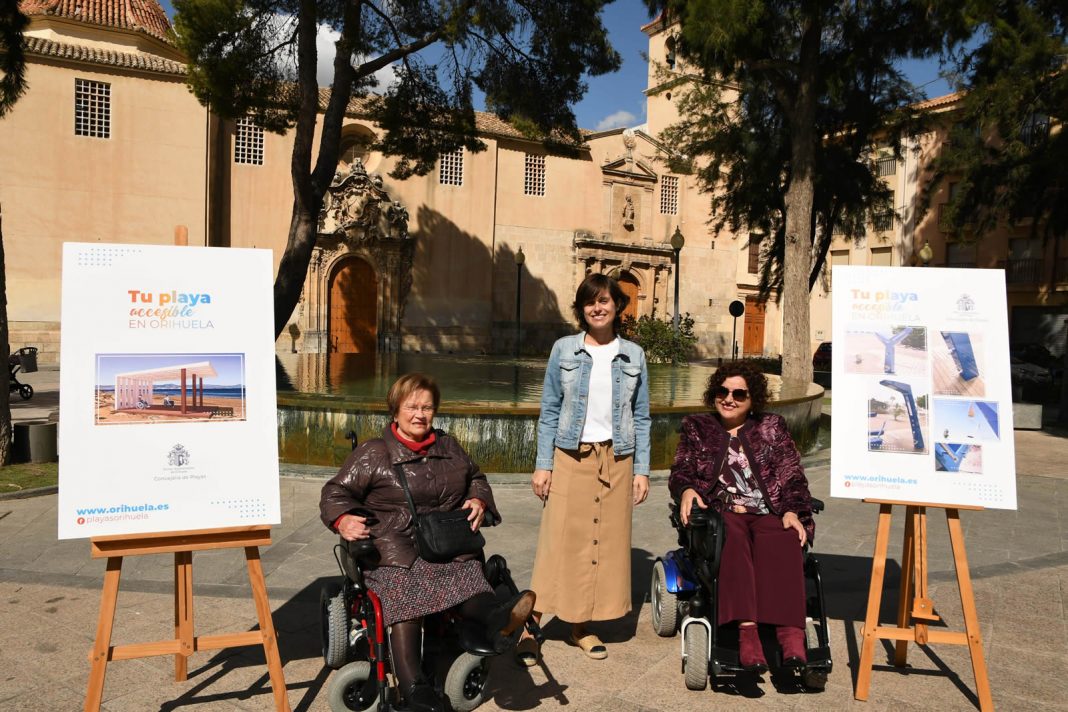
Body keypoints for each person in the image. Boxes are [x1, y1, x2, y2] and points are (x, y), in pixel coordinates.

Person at [319, 373, 535, 712]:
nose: (420, 414)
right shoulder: (374, 453)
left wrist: (479, 500)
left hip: (446, 544)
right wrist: (343, 518)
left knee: (469, 578)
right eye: (412, 407)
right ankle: (414, 690)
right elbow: (335, 491)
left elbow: (476, 478)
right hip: (394, 550)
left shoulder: (449, 447)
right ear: (396, 410)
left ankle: (498, 619)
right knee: (405, 595)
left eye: (427, 407)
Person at [520, 272, 651, 664]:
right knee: (556, 541)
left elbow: (641, 416)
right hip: (570, 456)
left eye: (605, 300)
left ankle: (580, 626)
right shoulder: (564, 350)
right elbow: (549, 410)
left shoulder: (634, 355)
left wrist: (642, 470)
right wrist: (543, 465)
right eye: (590, 301)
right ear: (582, 308)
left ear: (617, 306)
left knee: (601, 543)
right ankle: (531, 626)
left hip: (618, 458)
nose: (598, 307)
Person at [668, 361, 815, 672]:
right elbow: (682, 469)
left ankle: (790, 637)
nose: (729, 398)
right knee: (730, 536)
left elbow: (792, 475)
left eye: (739, 393)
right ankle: (747, 634)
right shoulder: (698, 427)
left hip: (767, 510)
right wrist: (686, 490)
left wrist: (792, 509)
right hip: (721, 511)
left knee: (784, 536)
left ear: (753, 399)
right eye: (722, 391)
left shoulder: (770, 427)